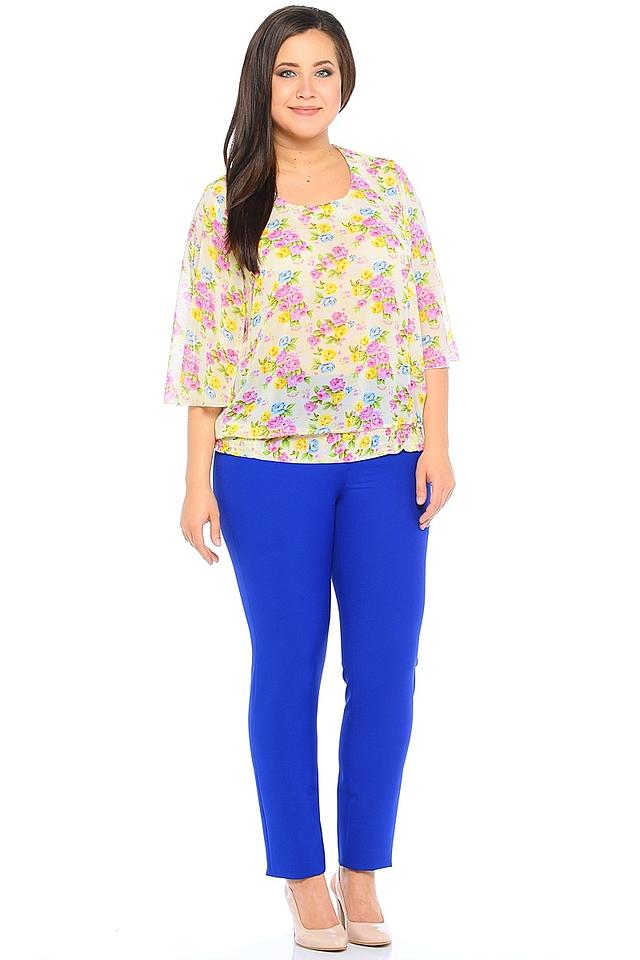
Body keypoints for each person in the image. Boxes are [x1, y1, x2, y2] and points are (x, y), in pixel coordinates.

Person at [163, 6, 460, 951]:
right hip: (265, 468)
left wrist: (437, 444)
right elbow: (206, 348)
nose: (305, 88)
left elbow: (428, 321)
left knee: (386, 671)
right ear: (262, 83)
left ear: (345, 81)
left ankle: (361, 869)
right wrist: (196, 480)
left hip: (386, 462)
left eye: (322, 70)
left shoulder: (387, 185)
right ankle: (300, 874)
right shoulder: (228, 200)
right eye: (287, 71)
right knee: (288, 669)